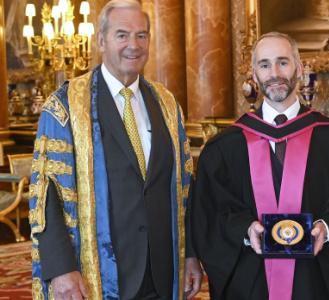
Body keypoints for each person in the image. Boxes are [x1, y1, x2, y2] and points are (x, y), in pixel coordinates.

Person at [29, 1, 202, 299]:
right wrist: (60, 270)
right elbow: (45, 194)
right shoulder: (64, 106)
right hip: (97, 273)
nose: (133, 45)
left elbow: (185, 187)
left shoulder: (167, 104)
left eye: (142, 35)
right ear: (101, 41)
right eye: (122, 35)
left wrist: (190, 255)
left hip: (162, 271)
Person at [191, 32, 329, 300]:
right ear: (254, 74)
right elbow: (211, 214)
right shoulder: (224, 148)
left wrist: (326, 228)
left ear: (299, 68)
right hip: (251, 282)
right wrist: (245, 229)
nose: (274, 73)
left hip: (316, 280)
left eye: (283, 62)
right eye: (265, 64)